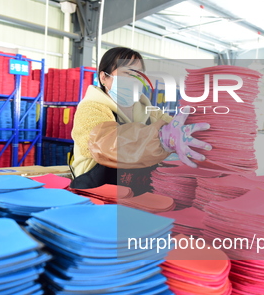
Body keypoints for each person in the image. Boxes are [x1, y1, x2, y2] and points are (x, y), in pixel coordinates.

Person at [69, 47, 211, 194]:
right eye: (127, 73)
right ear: (104, 77)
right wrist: (161, 137)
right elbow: (105, 144)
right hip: (96, 192)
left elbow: (178, 127)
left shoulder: (149, 111)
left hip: (137, 193)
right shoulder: (91, 109)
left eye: (139, 74)